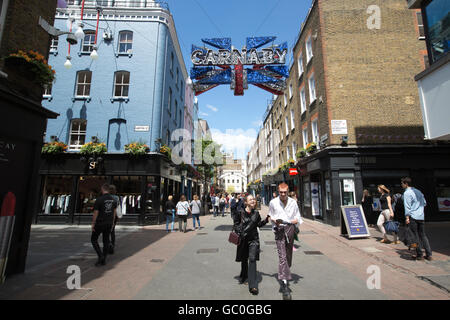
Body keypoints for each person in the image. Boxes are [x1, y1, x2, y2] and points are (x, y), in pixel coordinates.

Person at [268, 182, 303, 300]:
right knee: (282, 256)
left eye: (285, 192)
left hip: (290, 229)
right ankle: (284, 284)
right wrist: (275, 221)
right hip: (279, 229)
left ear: (288, 192)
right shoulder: (273, 202)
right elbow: (270, 216)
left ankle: (286, 272)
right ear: (278, 191)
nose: (283, 194)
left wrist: (291, 222)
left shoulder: (293, 202)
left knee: (288, 255)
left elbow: (298, 217)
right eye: (281, 192)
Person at [234, 194, 269, 296]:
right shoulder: (240, 212)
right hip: (243, 239)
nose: (253, 200)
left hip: (254, 239)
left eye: (253, 199)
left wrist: (266, 220)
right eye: (251, 199)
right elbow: (236, 224)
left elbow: (258, 224)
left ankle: (253, 285)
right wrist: (240, 232)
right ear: (246, 202)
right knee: (244, 259)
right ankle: (244, 275)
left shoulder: (256, 214)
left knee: (252, 259)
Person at [401, 177, 432, 261]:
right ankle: (429, 254)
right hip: (421, 216)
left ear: (406, 184)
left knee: (415, 235)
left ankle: (419, 254)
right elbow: (424, 203)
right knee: (423, 235)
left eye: (402, 183)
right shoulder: (419, 191)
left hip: (413, 216)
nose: (402, 185)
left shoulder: (407, 193)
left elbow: (407, 206)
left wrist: (407, 217)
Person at [91, 183, 117, 267]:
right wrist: (113, 222)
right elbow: (114, 212)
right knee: (106, 240)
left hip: (100, 222)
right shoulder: (113, 200)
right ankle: (104, 259)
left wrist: (93, 223)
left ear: (102, 189)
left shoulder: (99, 199)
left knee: (94, 239)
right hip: (109, 223)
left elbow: (96, 212)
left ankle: (100, 256)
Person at [108, 184, 122, 254]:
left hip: (106, 215)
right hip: (114, 216)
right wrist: (118, 216)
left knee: (106, 231)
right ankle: (112, 245)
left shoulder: (106, 197)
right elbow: (118, 207)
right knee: (112, 231)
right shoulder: (116, 198)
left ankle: (108, 244)